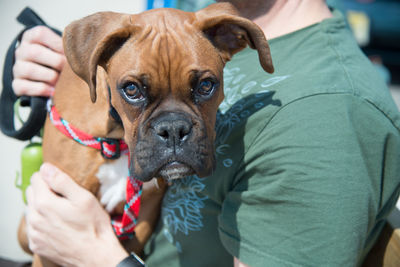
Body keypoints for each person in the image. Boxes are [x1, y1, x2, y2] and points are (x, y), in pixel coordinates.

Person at [11, 0, 400, 266]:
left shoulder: (328, 113)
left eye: (203, 88)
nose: (173, 129)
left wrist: (96, 256)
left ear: (236, 40)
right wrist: (36, 68)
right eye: (135, 91)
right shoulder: (200, 17)